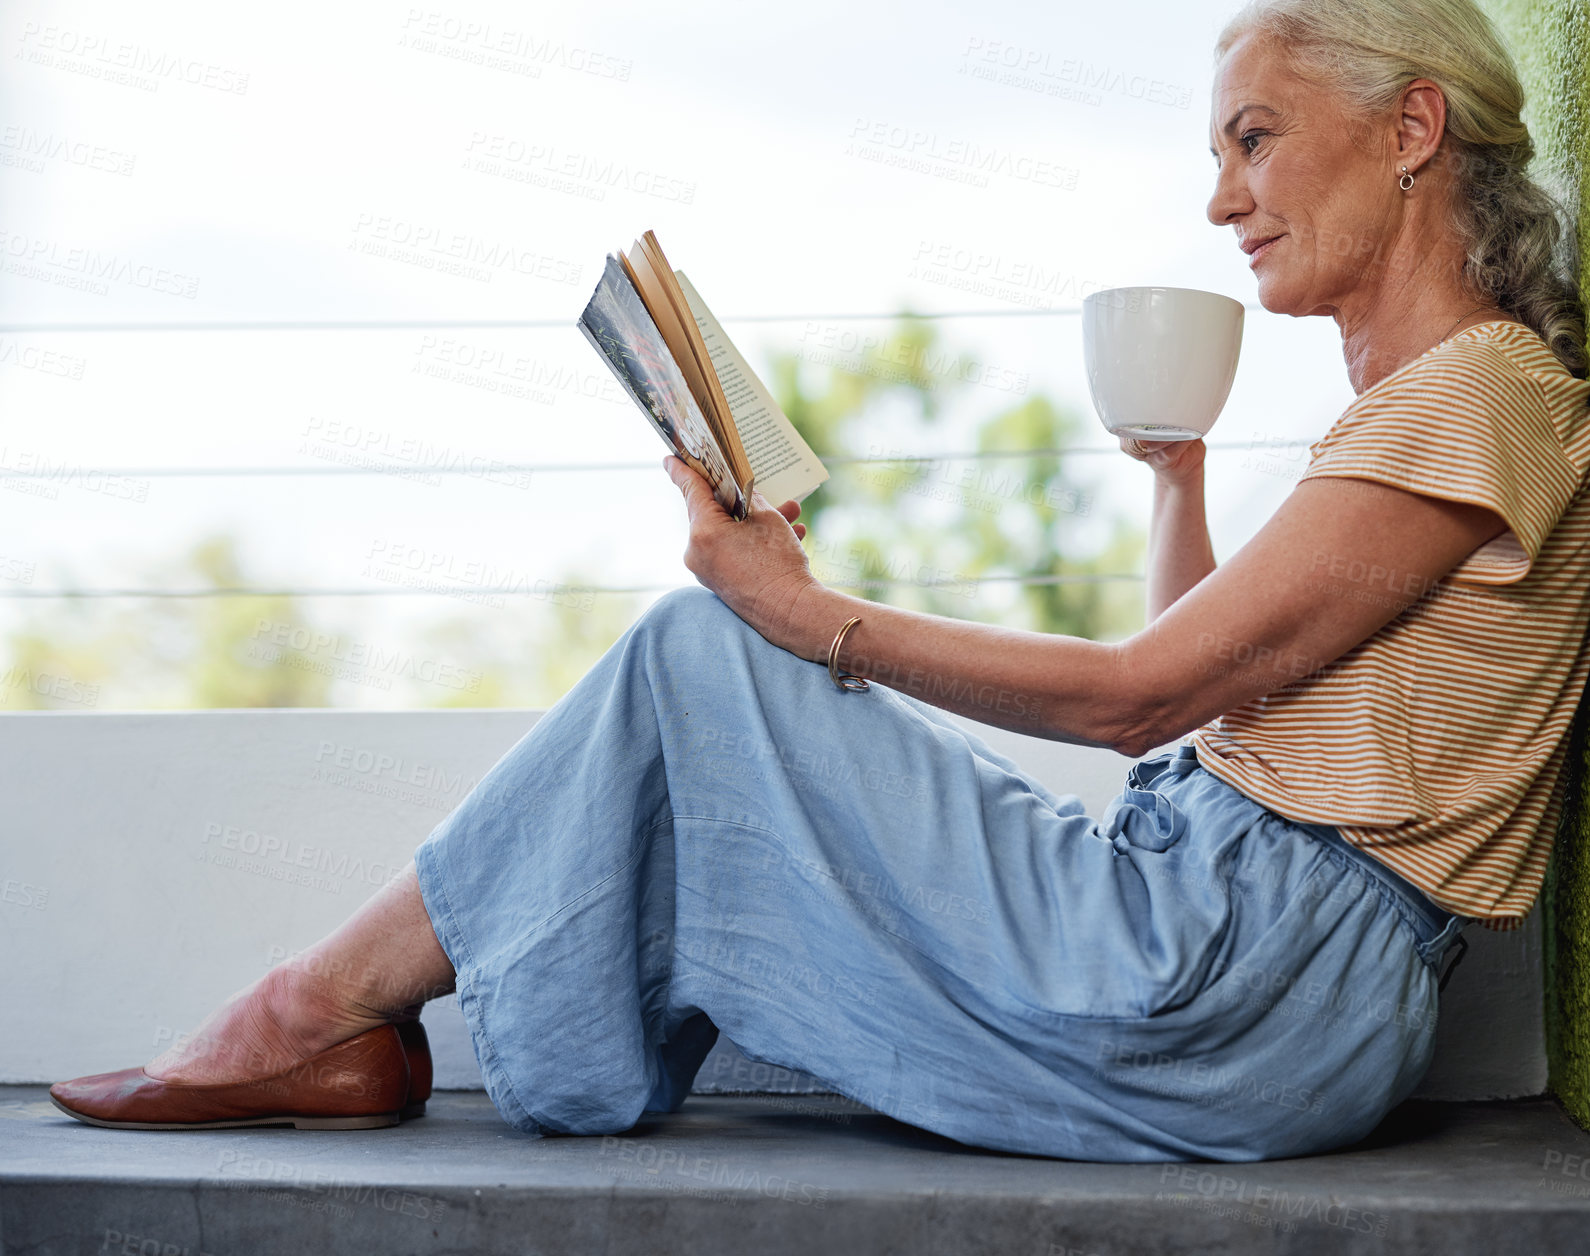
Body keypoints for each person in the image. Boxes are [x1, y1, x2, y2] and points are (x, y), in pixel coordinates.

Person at [51, 0, 1590, 1161]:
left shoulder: (1474, 397)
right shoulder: (1437, 411)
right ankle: (331, 1021)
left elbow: (1144, 699)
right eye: (1215, 154)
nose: (1216, 197)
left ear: (1409, 128)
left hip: (1236, 977)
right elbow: (1200, 688)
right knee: (713, 668)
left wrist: (802, 614)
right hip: (1236, 949)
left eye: (1251, 137)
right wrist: (1175, 476)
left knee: (707, 656)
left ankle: (309, 1016)